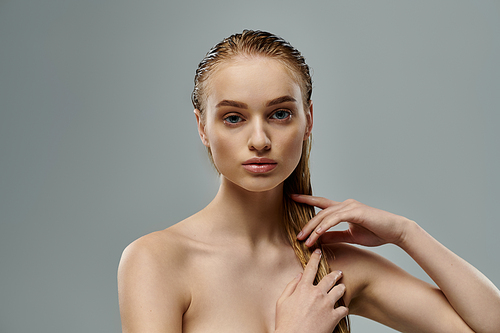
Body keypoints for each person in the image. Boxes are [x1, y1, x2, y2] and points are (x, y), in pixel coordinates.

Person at [117, 30, 500, 333]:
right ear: (202, 127)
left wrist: (406, 233)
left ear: (308, 120)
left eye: (280, 114)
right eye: (233, 118)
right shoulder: (157, 262)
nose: (259, 140)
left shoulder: (330, 267)